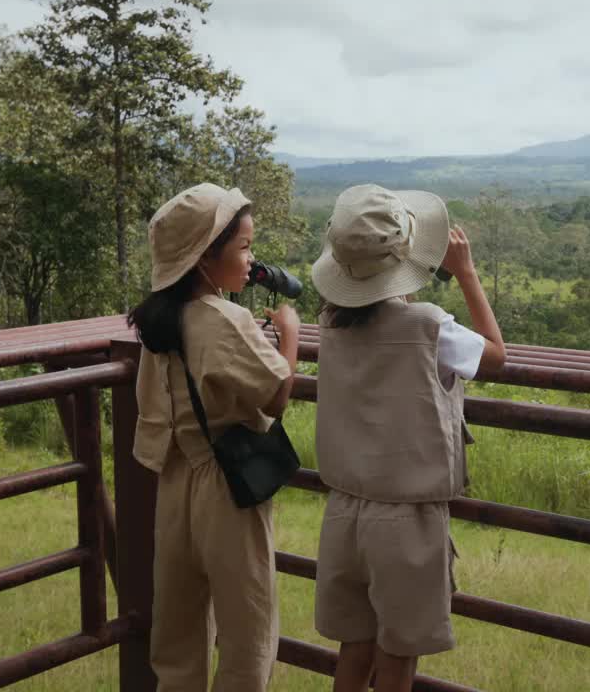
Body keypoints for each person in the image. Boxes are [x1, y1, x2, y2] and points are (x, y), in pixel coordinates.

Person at [310, 183, 506, 692]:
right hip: (407, 519)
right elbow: (495, 355)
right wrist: (466, 273)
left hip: (344, 509)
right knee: (398, 657)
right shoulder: (428, 325)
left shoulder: (331, 325)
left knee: (354, 649)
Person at [127, 182, 300, 692]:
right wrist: (290, 333)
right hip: (227, 489)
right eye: (244, 247)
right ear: (205, 259)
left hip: (175, 480)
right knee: (248, 635)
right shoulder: (226, 318)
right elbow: (276, 395)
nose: (251, 259)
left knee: (178, 641)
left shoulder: (159, 320)